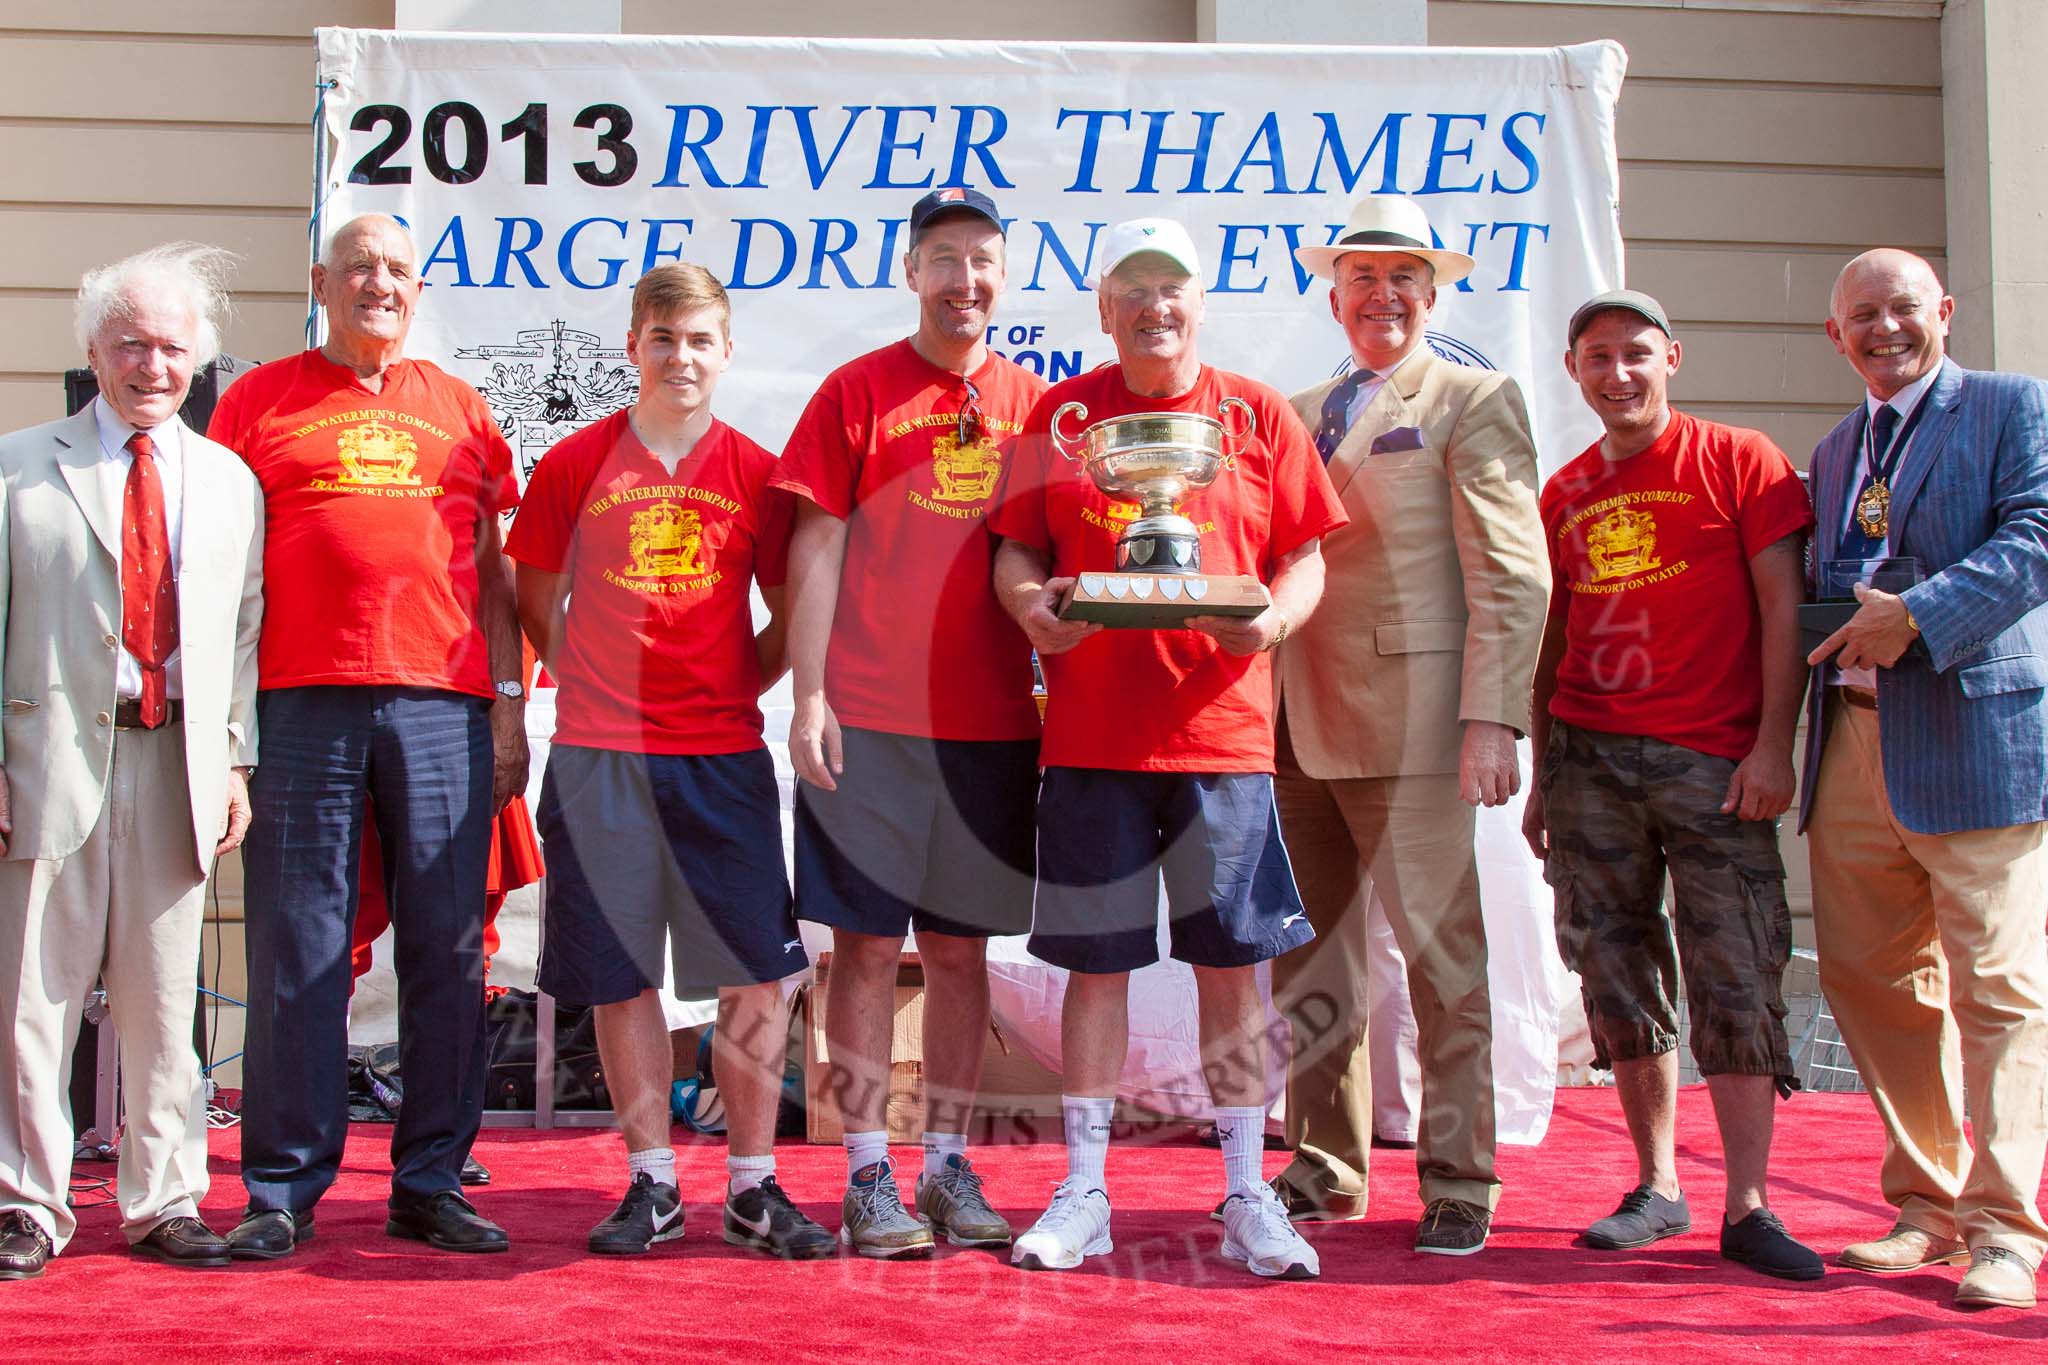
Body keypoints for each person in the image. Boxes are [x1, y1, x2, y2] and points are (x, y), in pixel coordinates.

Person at [990, 218, 1345, 1277]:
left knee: (1233, 971)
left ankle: (1245, 1190)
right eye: (1133, 291)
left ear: (1200, 302)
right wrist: (1032, 615)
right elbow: (1016, 553)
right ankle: (1085, 1188)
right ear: (1104, 309)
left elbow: (1303, 561)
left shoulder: (1256, 414)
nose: (1155, 308)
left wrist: (1272, 622)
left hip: (1223, 738)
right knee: (1093, 971)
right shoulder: (1062, 418)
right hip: (1092, 740)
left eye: (1173, 290)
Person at [207, 214, 528, 1258]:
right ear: (322, 283)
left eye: (394, 271)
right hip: (297, 700)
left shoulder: (462, 409)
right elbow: (214, 566)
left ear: (416, 289)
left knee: (444, 948)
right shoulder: (257, 401)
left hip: (443, 702)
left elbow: (495, 573)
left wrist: (512, 702)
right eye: (357, 270)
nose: (376, 286)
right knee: (300, 947)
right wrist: (221, 728)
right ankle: (282, 1191)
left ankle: (429, 1179)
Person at [509, 263, 832, 1260]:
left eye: (699, 340)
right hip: (599, 759)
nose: (680, 357)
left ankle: (749, 1184)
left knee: (752, 976)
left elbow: (791, 613)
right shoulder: (573, 465)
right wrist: (590, 678)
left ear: (725, 352)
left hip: (720, 758)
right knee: (617, 976)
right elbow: (534, 598)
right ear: (632, 348)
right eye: (663, 338)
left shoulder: (757, 473)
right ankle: (649, 1183)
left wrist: (736, 679)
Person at [1267, 194, 1549, 1252]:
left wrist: (1491, 718)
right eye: (1360, 276)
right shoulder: (1291, 411)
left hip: (1420, 726)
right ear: (1332, 293)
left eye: (1401, 277)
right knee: (1309, 963)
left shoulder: (1473, 398)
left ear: (1432, 293)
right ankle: (1324, 1166)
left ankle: (1459, 1180)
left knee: (1442, 963)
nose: (1379, 294)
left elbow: (1511, 574)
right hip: (1292, 724)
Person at [1523, 289, 1820, 1281]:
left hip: (1717, 764)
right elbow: (1551, 642)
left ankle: (1747, 1203)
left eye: (1635, 355)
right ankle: (1656, 1187)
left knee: (1735, 970)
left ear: (1672, 358)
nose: (1617, 374)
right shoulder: (1561, 492)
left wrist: (1772, 746)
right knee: (1612, 969)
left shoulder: (1742, 461)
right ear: (1574, 371)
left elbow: (1783, 610)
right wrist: (1539, 776)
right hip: (1588, 761)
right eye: (1597, 358)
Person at [772, 188, 1044, 1258]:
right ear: (910, 271)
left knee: (964, 955)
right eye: (942, 259)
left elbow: (1048, 563)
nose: (962, 281)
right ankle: (865, 1175)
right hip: (868, 724)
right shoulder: (856, 392)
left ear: (1002, 278)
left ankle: (946, 1167)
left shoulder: (1036, 405)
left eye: (981, 261)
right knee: (864, 952)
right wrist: (805, 696)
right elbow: (814, 549)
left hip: (987, 730)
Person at [0, 243, 263, 1278]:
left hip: (178, 762)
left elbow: (241, 631)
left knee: (165, 1002)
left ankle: (164, 1202)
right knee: (33, 998)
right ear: (94, 353)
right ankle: (27, 1202)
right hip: (48, 761)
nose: (151, 365)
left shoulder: (229, 479)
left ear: (197, 357)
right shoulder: (20, 467)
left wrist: (234, 757)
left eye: (170, 347)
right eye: (130, 346)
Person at [1802, 249, 2048, 1312]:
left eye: (1902, 309)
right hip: (1853, 741)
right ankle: (1927, 1203)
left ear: (1941, 312)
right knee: (1871, 981)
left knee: (1994, 991)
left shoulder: (2005, 407)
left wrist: (1921, 613)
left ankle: (2003, 1230)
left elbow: (2036, 533)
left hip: (1973, 736)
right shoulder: (1829, 451)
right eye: (1861, 316)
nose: (1883, 329)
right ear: (1835, 335)